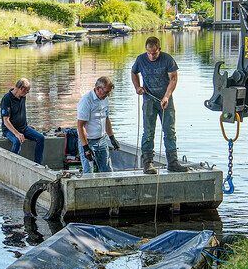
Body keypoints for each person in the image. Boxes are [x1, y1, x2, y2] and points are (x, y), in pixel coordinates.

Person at [131, 36, 187, 174]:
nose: (151, 56)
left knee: (169, 131)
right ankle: (147, 163)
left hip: (165, 100)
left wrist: (167, 96)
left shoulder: (167, 59)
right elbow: (133, 72)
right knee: (148, 132)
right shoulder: (140, 59)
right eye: (149, 53)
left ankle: (173, 163)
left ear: (159, 49)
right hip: (148, 100)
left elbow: (173, 79)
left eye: (154, 53)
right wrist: (137, 87)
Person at [77, 76, 121, 173]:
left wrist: (112, 137)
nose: (108, 95)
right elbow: (80, 126)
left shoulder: (105, 99)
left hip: (102, 140)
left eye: (109, 92)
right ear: (97, 89)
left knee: (108, 171)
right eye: (106, 92)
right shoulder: (86, 101)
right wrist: (86, 148)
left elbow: (106, 119)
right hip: (88, 141)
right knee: (89, 172)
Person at [0, 78, 44, 164]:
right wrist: (16, 133)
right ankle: (12, 165)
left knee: (40, 138)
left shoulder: (23, 97)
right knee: (17, 141)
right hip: (9, 130)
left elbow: (21, 113)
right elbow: (5, 120)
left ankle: (38, 165)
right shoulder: (6, 99)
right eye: (27, 91)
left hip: (24, 128)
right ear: (21, 89)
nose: (27, 93)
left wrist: (27, 126)